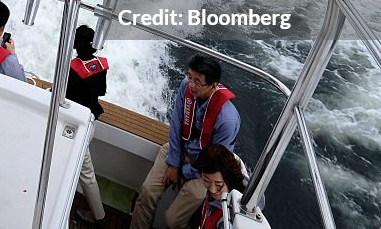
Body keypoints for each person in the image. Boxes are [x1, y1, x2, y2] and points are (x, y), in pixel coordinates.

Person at [130, 54, 240, 229]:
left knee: (173, 220)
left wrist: (185, 171)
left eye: (197, 82)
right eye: (190, 77)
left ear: (213, 86)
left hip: (206, 170)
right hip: (179, 150)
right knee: (147, 193)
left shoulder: (227, 120)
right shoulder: (186, 87)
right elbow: (176, 123)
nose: (191, 85)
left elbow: (218, 161)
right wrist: (174, 164)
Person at [66, 25, 109, 228]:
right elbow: (101, 90)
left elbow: (64, 95)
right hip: (90, 119)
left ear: (75, 45)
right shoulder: (101, 65)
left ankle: (99, 218)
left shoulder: (72, 69)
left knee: (86, 174)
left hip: (75, 125)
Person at [190, 144, 247, 229]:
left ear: (230, 181)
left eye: (219, 184)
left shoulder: (229, 218)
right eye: (206, 180)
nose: (212, 190)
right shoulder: (213, 197)